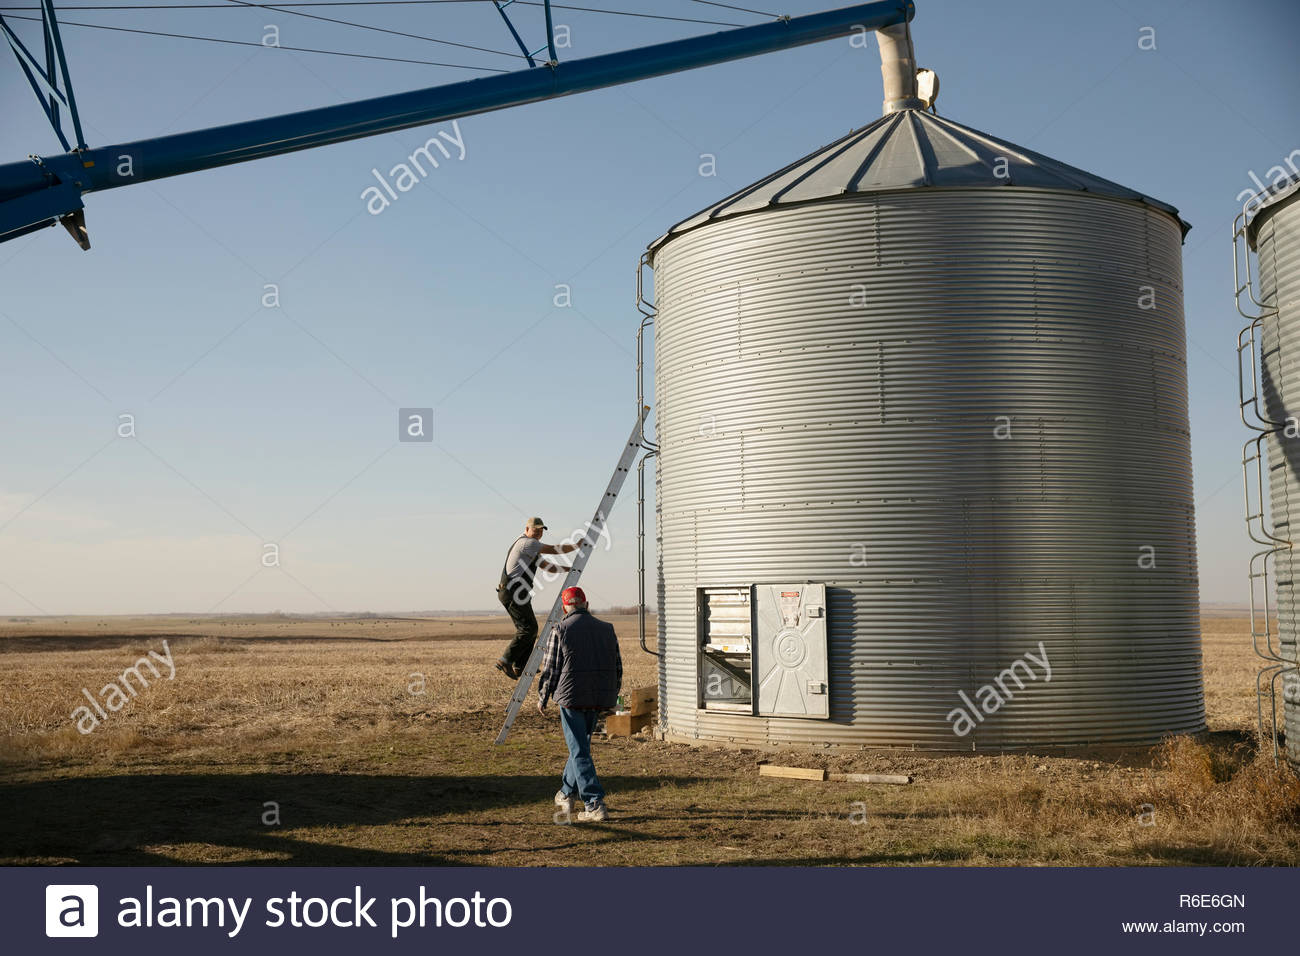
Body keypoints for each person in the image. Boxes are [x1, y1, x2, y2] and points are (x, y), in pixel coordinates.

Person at [536, 586, 621, 823]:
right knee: (580, 747)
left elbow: (551, 668)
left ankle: (594, 803)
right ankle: (566, 792)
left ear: (565, 607)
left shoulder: (560, 629)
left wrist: (543, 697)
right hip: (598, 698)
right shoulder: (607, 629)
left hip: (571, 699)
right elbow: (617, 666)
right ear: (586, 604)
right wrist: (612, 696)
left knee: (579, 750)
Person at [495, 517, 578, 679]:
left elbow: (549, 567)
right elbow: (555, 549)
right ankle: (505, 660)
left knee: (530, 629)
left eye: (541, 531)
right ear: (527, 529)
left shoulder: (531, 549)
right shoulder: (528, 543)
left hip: (515, 592)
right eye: (536, 530)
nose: (539, 533)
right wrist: (577, 545)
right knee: (528, 629)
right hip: (513, 592)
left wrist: (570, 568)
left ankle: (521, 665)